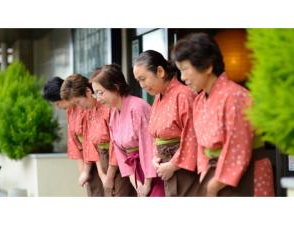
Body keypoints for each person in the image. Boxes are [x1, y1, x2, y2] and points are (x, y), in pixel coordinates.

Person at [171, 32, 275, 196]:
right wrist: (206, 173)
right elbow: (201, 147)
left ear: (207, 66)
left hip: (246, 173)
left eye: (184, 69)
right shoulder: (199, 101)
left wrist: (213, 185)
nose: (182, 77)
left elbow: (238, 148)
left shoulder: (236, 96)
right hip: (214, 174)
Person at [91, 64, 165, 197]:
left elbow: (148, 145)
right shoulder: (113, 112)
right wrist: (134, 179)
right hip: (135, 171)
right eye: (95, 93)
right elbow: (119, 150)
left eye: (100, 92)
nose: (97, 98)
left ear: (115, 87)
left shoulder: (138, 108)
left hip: (153, 168)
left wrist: (147, 182)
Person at [133, 50, 199, 196]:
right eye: (138, 80)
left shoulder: (184, 94)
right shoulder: (158, 98)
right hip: (164, 166)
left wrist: (173, 165)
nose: (141, 85)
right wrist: (156, 158)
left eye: (143, 78)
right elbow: (156, 136)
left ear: (160, 71)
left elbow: (193, 136)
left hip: (183, 168)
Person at [60, 73, 135, 197]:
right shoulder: (89, 111)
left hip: (119, 162)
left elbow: (115, 143)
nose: (79, 107)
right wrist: (101, 174)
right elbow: (91, 144)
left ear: (88, 92)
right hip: (102, 161)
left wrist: (109, 176)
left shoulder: (108, 107)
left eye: (78, 102)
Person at [42, 76, 103, 196]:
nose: (57, 107)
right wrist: (82, 171)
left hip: (97, 156)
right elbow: (74, 143)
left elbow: (89, 138)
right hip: (86, 158)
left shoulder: (85, 105)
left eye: (57, 103)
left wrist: (86, 170)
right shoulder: (70, 111)